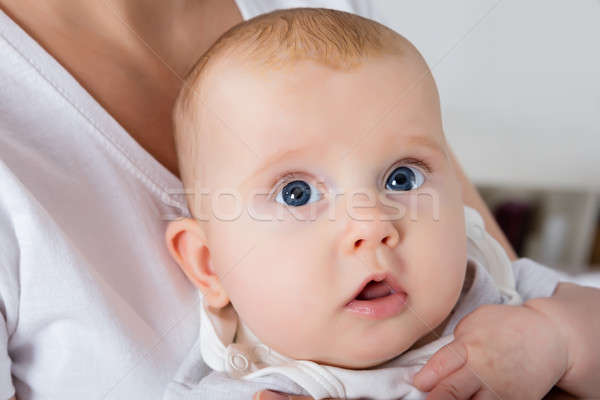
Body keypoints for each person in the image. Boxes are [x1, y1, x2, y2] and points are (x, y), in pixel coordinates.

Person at [0, 1, 597, 399]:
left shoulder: (489, 287)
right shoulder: (247, 385)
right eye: (296, 193)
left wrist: (558, 343)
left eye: (402, 178)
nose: (374, 225)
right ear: (210, 266)